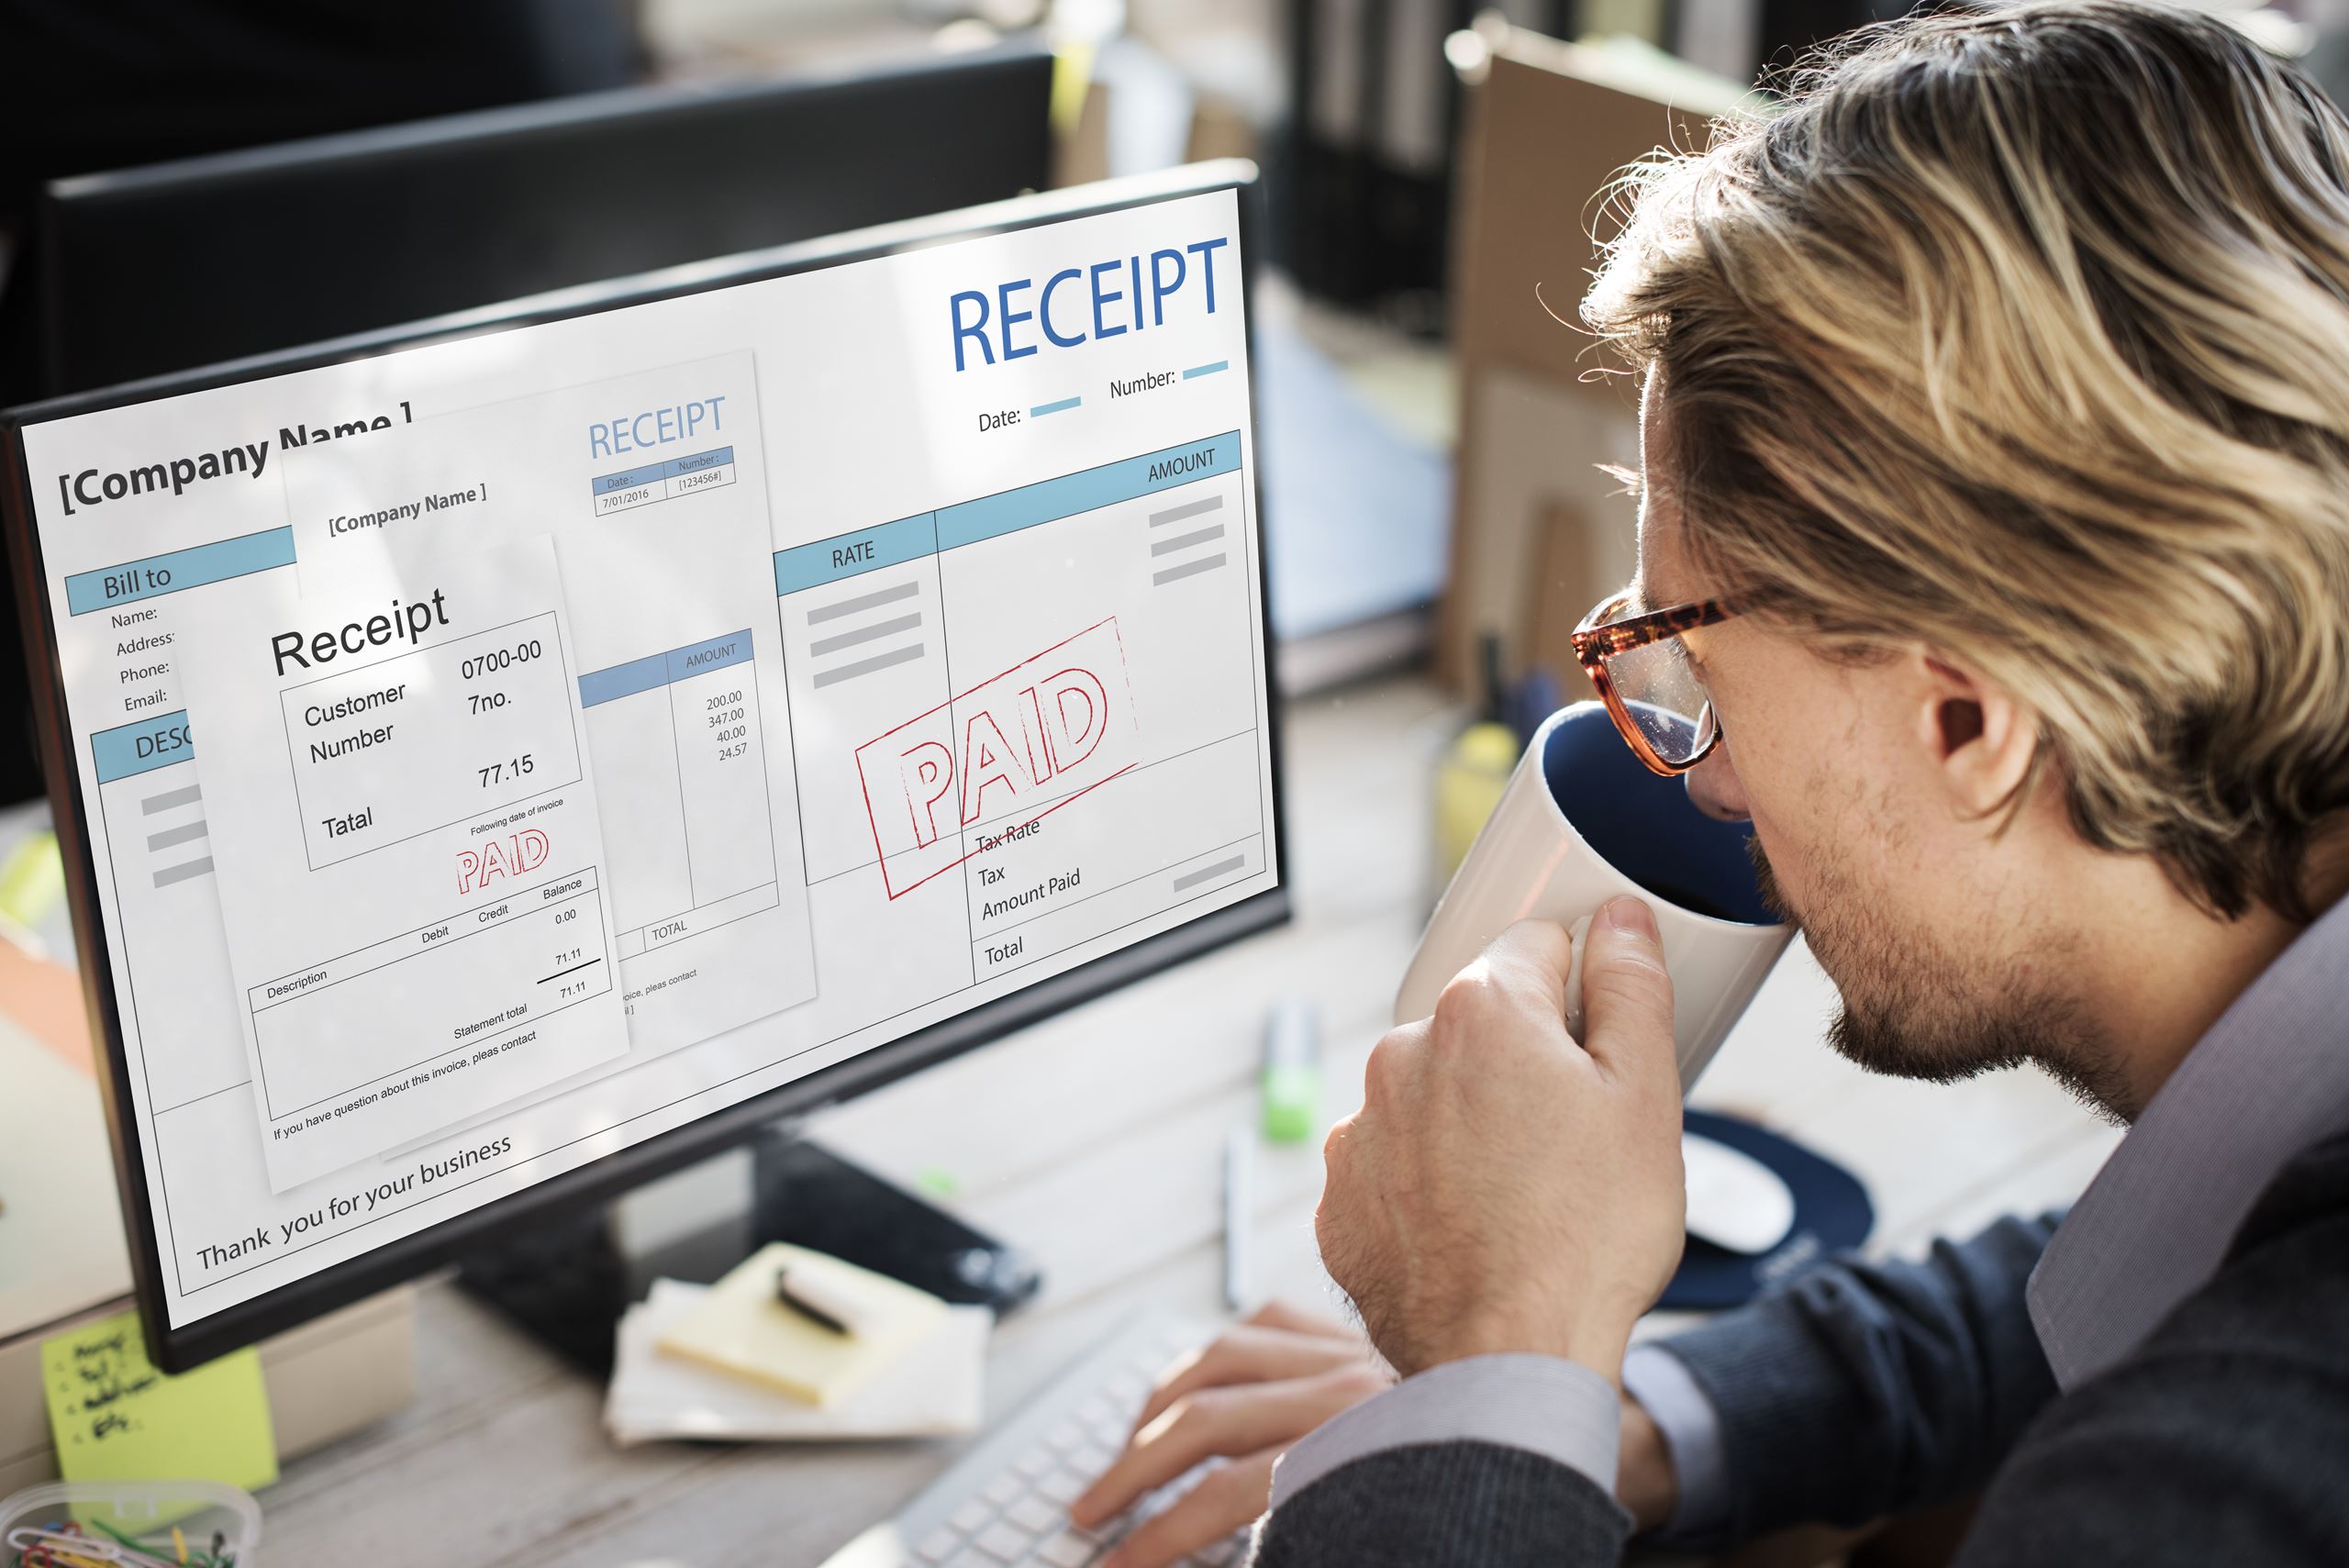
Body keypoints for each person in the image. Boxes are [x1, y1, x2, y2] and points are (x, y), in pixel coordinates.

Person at [1068, 2, 2349, 1562]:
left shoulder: (2231, 1494)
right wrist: (1600, 1416)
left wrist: (1494, 1354)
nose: (1712, 782)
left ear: (1971, 724)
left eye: (1698, 672)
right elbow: (2122, 1280)